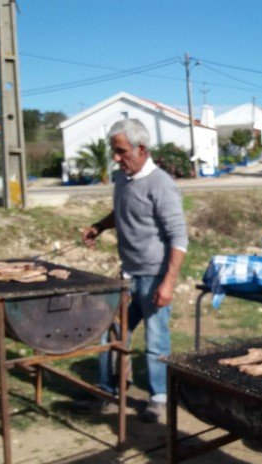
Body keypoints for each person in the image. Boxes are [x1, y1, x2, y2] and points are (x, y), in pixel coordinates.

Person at [76, 118, 188, 424]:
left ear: (141, 148)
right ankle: (108, 390)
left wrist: (168, 283)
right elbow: (122, 211)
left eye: (121, 151)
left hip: (154, 277)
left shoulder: (161, 184)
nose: (116, 158)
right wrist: (99, 227)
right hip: (128, 275)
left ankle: (158, 398)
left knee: (156, 339)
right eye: (114, 151)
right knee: (111, 332)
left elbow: (179, 237)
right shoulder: (123, 179)